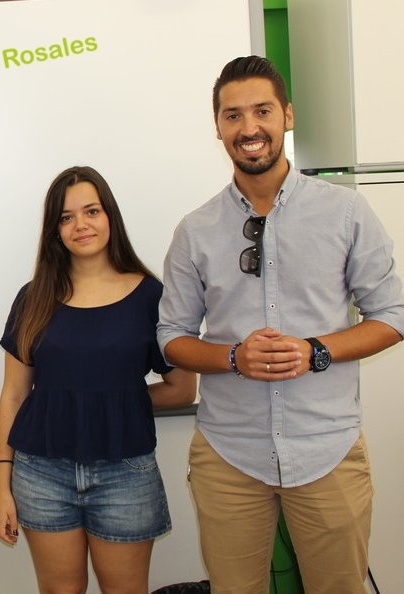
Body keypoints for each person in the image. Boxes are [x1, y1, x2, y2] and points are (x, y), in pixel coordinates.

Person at [157, 56, 404, 593]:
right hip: (229, 454)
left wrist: (315, 350)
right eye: (233, 115)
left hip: (327, 448)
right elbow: (171, 337)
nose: (249, 127)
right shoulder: (195, 230)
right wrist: (233, 358)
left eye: (262, 111)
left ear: (287, 116)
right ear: (218, 127)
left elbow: (392, 315)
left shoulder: (346, 213)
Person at [0, 166, 196, 593]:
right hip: (41, 474)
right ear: (54, 231)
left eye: (91, 211)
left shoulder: (151, 297)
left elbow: (182, 389)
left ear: (110, 216)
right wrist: (1, 488)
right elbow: (13, 395)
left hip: (125, 474)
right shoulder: (33, 298)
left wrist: (116, 399)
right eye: (66, 217)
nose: (80, 225)